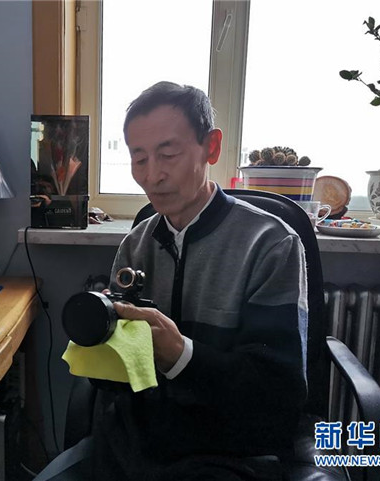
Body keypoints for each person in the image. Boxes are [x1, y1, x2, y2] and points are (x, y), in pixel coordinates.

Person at [37, 81, 308, 481]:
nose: (153, 175)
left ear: (211, 147)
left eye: (168, 154)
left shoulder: (270, 244)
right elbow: (121, 382)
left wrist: (181, 355)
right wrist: (101, 344)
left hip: (228, 453)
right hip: (136, 446)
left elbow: (276, 395)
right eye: (139, 158)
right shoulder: (136, 244)